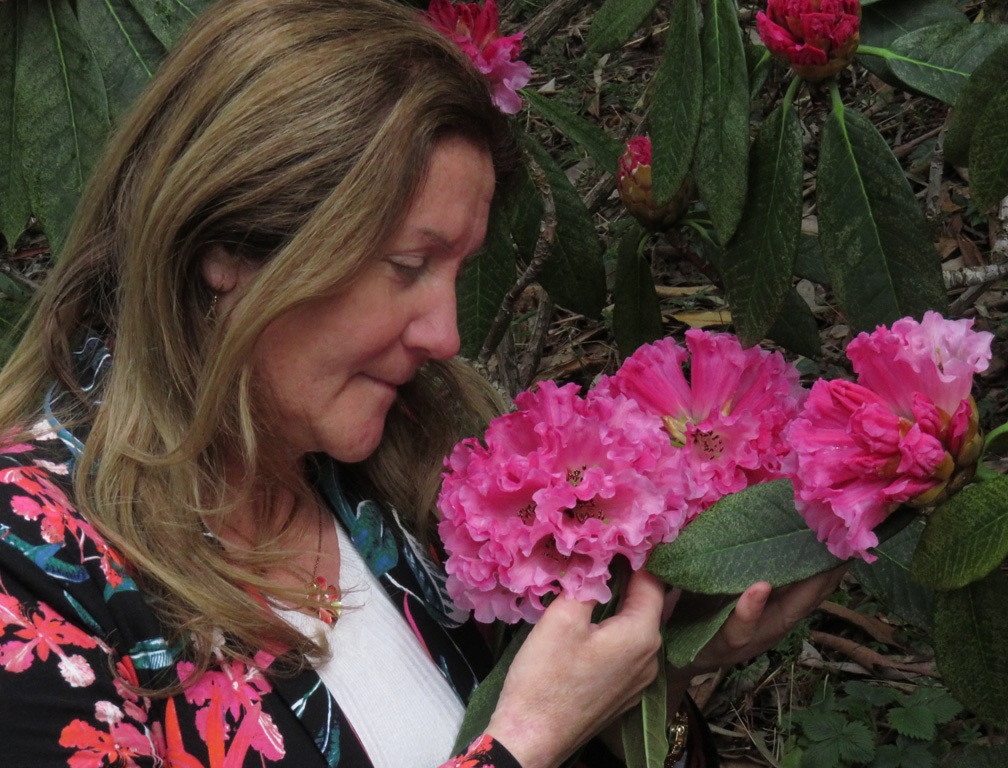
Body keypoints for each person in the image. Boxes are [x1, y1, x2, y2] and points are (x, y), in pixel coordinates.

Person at [0, 1, 842, 766]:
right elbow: (523, 737)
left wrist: (654, 675)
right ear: (227, 249)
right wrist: (525, 744)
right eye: (408, 265)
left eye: (457, 271)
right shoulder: (31, 570)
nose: (446, 336)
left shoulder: (397, 486)